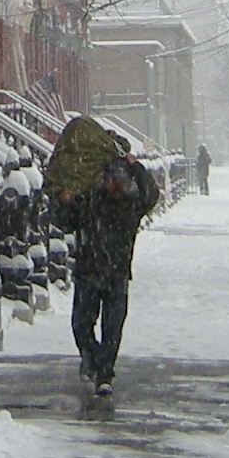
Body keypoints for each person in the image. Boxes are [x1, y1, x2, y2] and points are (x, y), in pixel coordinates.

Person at [46, 114, 160, 398]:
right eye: (112, 178)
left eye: (120, 179)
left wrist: (137, 167)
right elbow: (64, 220)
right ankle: (92, 358)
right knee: (81, 325)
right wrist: (63, 201)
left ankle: (104, 373)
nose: (115, 184)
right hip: (88, 273)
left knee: (112, 329)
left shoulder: (130, 206)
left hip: (117, 274)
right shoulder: (91, 203)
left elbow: (151, 193)